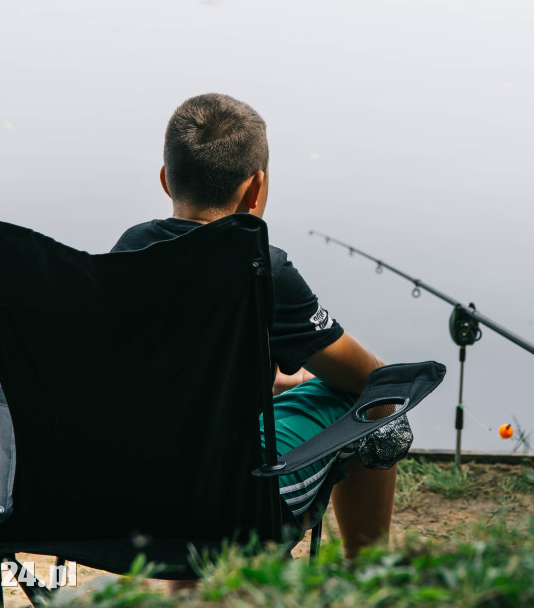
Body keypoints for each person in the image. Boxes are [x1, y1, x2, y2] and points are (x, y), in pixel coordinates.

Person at [110, 93, 402, 564]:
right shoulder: (261, 269)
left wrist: (280, 380)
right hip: (231, 499)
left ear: (166, 181)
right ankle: (365, 575)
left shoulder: (129, 251)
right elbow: (372, 380)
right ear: (256, 189)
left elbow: (176, 372)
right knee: (379, 404)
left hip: (126, 490)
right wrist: (314, 378)